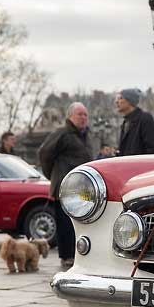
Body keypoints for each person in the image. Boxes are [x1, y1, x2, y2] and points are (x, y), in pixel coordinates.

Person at [37, 102, 92, 269]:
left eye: (85, 115)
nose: (83, 118)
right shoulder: (62, 133)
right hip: (65, 187)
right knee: (65, 224)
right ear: (70, 116)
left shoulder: (86, 135)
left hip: (83, 188)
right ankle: (66, 255)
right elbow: (44, 153)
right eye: (79, 114)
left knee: (82, 223)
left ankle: (80, 253)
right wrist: (52, 175)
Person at [115, 88, 154, 156]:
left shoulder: (145, 119)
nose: (116, 101)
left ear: (129, 101)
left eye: (120, 98)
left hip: (141, 165)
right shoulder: (125, 122)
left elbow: (153, 149)